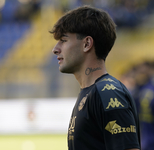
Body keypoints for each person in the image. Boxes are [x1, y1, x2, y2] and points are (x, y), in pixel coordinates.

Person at [50, 5, 141, 150]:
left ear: (87, 44)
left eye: (63, 40)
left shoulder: (109, 94)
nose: (55, 49)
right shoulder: (91, 92)